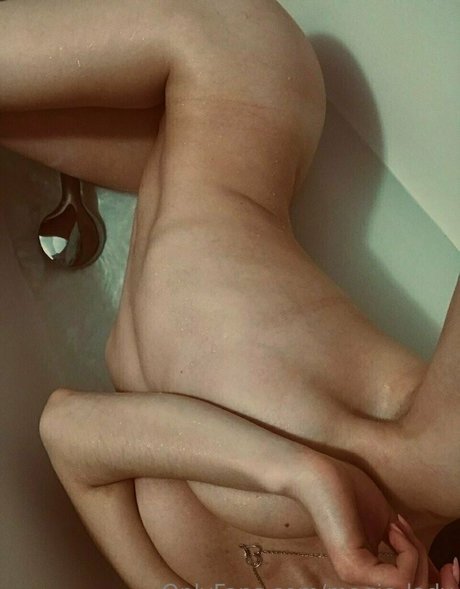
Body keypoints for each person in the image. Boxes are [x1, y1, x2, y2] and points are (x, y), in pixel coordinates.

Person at [1, 1, 458, 588]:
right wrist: (312, 480)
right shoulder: (432, 474)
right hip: (228, 71)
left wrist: (302, 475)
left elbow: (68, 431)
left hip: (154, 154)